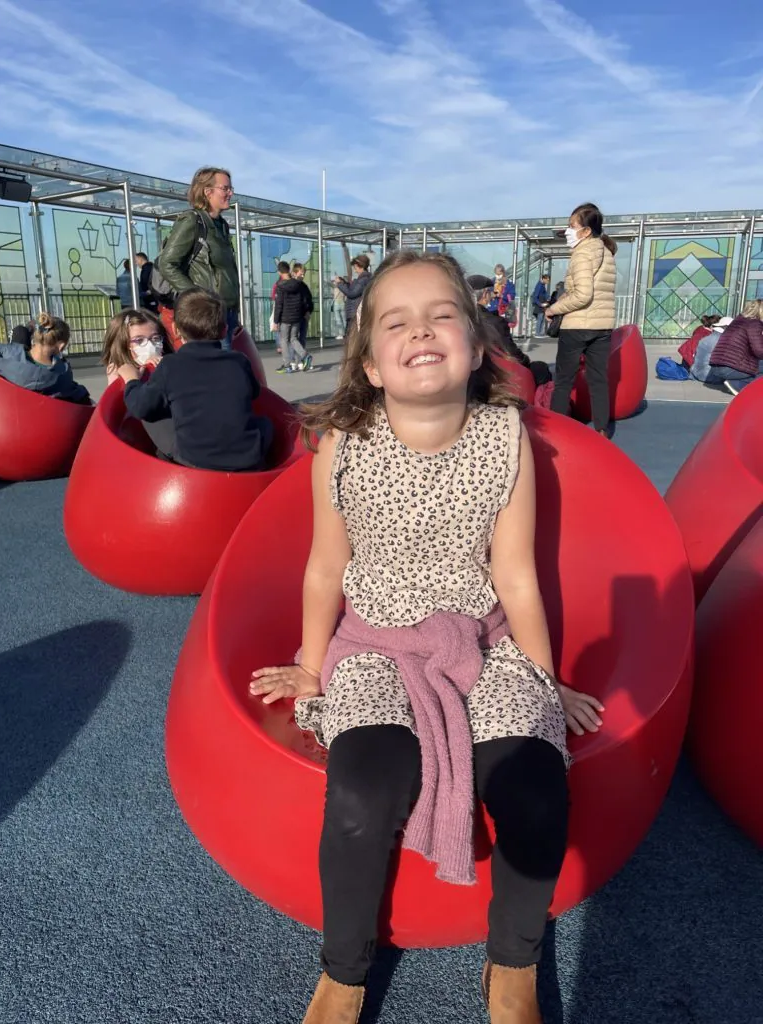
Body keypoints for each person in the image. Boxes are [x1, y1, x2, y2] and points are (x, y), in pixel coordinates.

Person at [250, 250, 603, 1024]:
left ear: (476, 346)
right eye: (395, 321)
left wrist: (543, 679)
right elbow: (324, 568)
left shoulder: (504, 438)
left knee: (536, 786)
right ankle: (343, 972)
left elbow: (515, 576)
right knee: (361, 793)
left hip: (482, 640)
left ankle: (513, 966)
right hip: (374, 643)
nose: (421, 332)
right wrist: (312, 667)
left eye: (442, 315)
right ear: (371, 362)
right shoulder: (343, 445)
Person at [119, 289, 271, 471]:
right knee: (265, 424)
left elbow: (140, 406)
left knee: (153, 414)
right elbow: (254, 392)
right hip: (248, 457)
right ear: (224, 330)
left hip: (196, 461)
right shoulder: (239, 361)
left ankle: (166, 466)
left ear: (174, 329)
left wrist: (131, 380)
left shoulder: (169, 366)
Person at [545, 203, 617, 437]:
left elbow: (583, 295)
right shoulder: (607, 252)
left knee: (564, 380)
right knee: (599, 380)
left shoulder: (582, 253)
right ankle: (603, 430)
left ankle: (556, 430)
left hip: (577, 325)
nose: (568, 231)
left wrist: (554, 309)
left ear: (585, 231)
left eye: (571, 226)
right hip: (602, 326)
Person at [157, 166, 240, 351]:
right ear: (207, 191)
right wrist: (197, 299)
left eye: (230, 188)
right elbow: (167, 263)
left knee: (228, 372)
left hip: (228, 312)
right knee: (216, 374)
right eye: (225, 188)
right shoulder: (192, 220)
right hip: (208, 315)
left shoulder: (222, 226)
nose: (230, 193)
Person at [468, 274, 551, 387]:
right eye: (491, 293)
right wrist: (526, 360)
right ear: (485, 294)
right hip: (492, 370)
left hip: (471, 371)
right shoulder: (495, 322)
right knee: (541, 368)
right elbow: (510, 352)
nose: (493, 296)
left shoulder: (462, 318)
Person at [0, 312, 91, 404]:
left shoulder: (6, 357)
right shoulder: (62, 377)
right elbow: (83, 398)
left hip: (5, 415)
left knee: (19, 331)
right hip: (42, 418)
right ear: (61, 346)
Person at [101, 308, 173, 389]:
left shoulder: (172, 364)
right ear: (123, 344)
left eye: (155, 338)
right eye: (139, 340)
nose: (150, 345)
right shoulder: (117, 370)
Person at [704, 300, 763, 395]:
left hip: (717, 366)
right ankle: (738, 385)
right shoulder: (754, 323)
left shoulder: (738, 321)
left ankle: (738, 384)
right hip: (730, 368)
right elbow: (759, 351)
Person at [273, 261, 314, 374]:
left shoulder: (280, 286)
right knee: (294, 339)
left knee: (284, 341)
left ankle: (287, 365)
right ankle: (306, 356)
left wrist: (276, 321)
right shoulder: (299, 285)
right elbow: (304, 301)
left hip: (285, 318)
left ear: (280, 272)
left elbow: (279, 304)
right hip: (296, 317)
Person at [336, 254, 371, 335]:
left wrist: (339, 285)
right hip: (355, 313)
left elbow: (352, 293)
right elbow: (353, 289)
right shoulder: (362, 279)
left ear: (360, 266)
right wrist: (344, 283)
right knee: (351, 338)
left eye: (355, 267)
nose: (354, 270)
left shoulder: (363, 280)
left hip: (355, 313)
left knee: (351, 338)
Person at [690, 317, 731, 383]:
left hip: (696, 373)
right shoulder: (722, 342)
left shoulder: (705, 339)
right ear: (726, 327)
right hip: (710, 377)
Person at [292, 263, 313, 352]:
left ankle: (300, 360)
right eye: (301, 274)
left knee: (302, 337)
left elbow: (309, 300)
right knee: (294, 338)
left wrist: (308, 311)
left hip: (304, 316)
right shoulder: (291, 285)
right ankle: (296, 358)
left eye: (304, 274)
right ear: (294, 273)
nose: (303, 276)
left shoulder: (304, 286)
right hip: (295, 316)